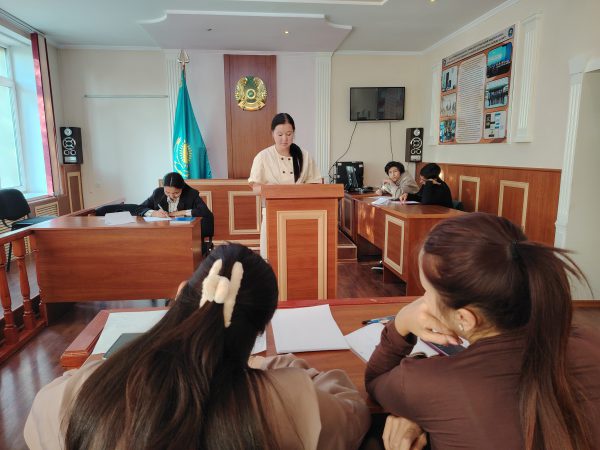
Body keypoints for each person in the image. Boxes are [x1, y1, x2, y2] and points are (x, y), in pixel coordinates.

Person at [25, 243, 370, 450]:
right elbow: (353, 411)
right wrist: (280, 368)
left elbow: (41, 415)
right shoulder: (287, 399)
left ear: (180, 293)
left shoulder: (81, 395)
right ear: (261, 328)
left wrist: (112, 364)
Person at [365, 212, 600, 450]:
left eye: (427, 291)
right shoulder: (590, 342)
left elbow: (375, 381)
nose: (423, 300)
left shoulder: (429, 382)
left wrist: (402, 321)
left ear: (464, 318)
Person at [248, 113, 322, 257]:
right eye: (280, 134)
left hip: (301, 214)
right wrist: (272, 190)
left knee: (297, 255)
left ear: (294, 133)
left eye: (289, 134)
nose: (284, 139)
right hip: (272, 213)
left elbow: (315, 184)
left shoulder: (304, 155)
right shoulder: (263, 157)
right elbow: (255, 188)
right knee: (271, 255)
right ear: (272, 134)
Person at [138, 171, 214, 240]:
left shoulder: (191, 194)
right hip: (162, 234)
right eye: (167, 192)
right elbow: (139, 208)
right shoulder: (158, 193)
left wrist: (178, 213)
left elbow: (205, 212)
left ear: (182, 188)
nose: (171, 196)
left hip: (185, 234)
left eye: (176, 193)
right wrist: (154, 213)